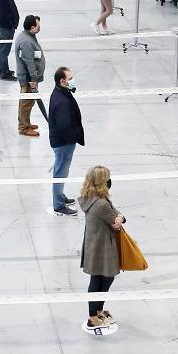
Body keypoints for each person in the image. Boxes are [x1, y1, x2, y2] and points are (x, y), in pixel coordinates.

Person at [78, 165, 124, 330]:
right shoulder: (101, 204)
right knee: (103, 279)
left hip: (94, 244)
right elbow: (116, 223)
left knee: (99, 278)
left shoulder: (90, 196)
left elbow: (113, 211)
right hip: (103, 246)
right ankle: (93, 317)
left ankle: (98, 311)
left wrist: (118, 216)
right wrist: (119, 218)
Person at [49, 67, 83, 216]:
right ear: (62, 81)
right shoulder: (62, 101)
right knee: (60, 172)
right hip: (64, 143)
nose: (72, 80)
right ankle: (58, 205)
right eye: (70, 79)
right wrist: (72, 138)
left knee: (62, 171)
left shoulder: (60, 92)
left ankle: (60, 196)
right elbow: (64, 126)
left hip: (62, 141)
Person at [14, 15, 44, 137]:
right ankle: (24, 128)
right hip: (28, 79)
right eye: (38, 25)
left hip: (29, 78)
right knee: (26, 103)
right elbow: (29, 62)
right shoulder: (26, 41)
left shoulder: (28, 36)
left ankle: (26, 122)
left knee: (29, 102)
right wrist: (34, 79)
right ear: (32, 27)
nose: (40, 27)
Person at [0, 0, 19, 81]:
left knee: (4, 49)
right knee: (4, 50)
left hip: (7, 27)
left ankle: (3, 69)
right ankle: (4, 73)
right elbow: (4, 15)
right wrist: (11, 25)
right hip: (6, 28)